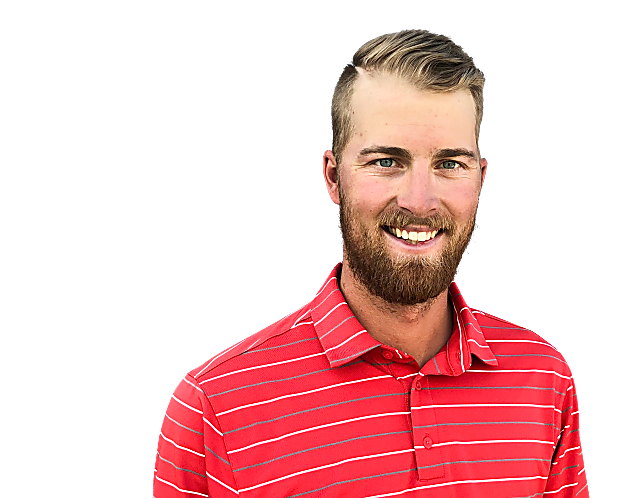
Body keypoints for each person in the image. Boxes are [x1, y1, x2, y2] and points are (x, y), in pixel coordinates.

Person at [153, 27, 589, 497]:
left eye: (450, 164)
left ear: (481, 179)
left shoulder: (544, 378)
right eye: (386, 161)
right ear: (332, 177)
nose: (420, 201)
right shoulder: (213, 407)